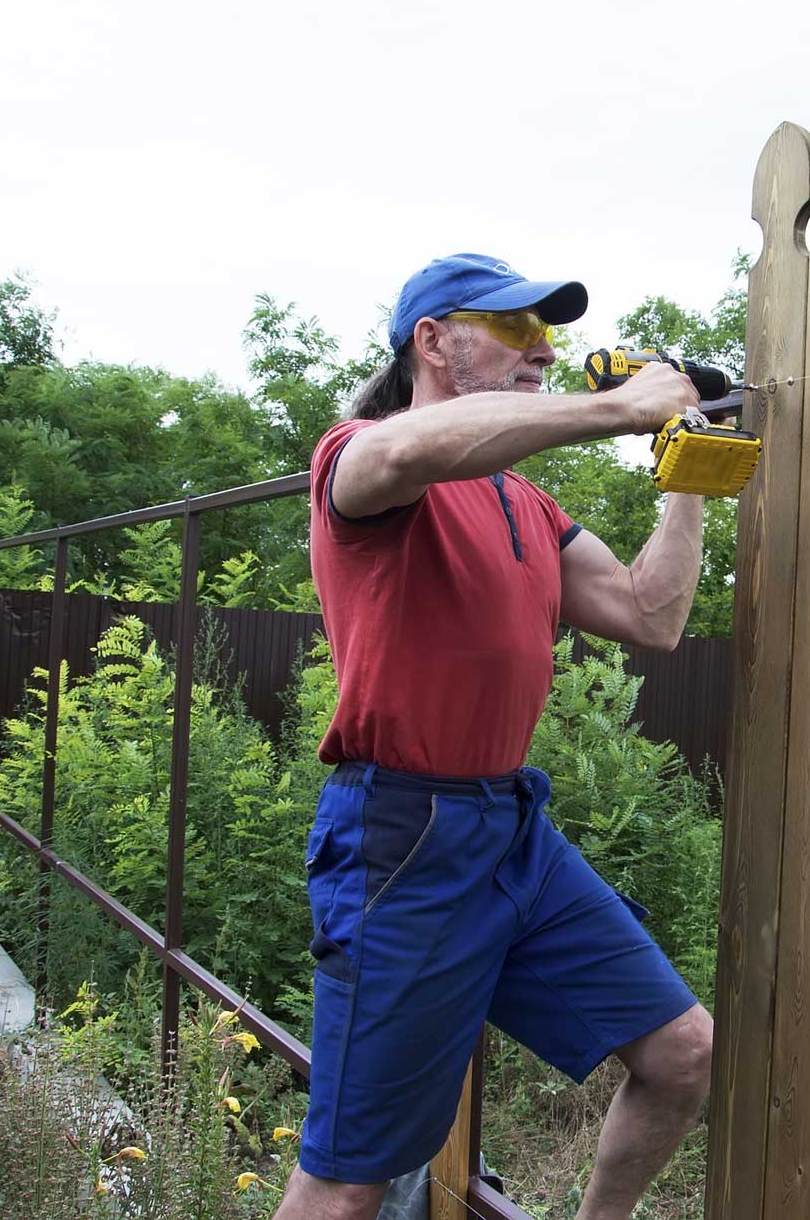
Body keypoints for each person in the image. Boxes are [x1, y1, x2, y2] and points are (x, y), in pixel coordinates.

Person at [273, 253, 715, 1220]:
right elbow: (404, 454)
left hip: (511, 830)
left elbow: (652, 615)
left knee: (683, 1051)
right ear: (432, 341)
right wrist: (617, 409)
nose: (544, 349)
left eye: (544, 331)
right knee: (350, 1178)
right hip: (401, 836)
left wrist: (690, 463)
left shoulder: (526, 504)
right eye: (515, 328)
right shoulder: (360, 458)